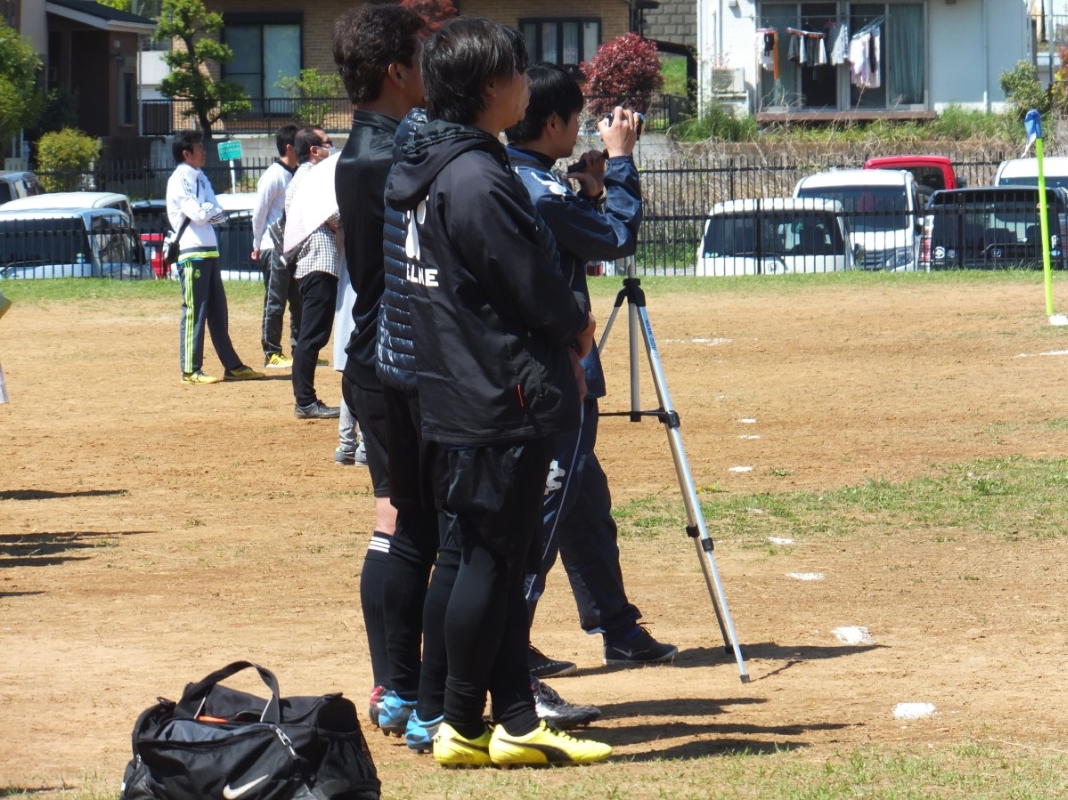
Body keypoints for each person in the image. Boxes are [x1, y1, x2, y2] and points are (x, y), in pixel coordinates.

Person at [386, 17, 610, 768]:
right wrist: (576, 325)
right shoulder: (476, 177)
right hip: (499, 391)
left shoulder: (439, 165)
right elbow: (530, 285)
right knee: (489, 560)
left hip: (461, 385)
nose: (527, 85)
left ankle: (513, 718)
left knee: (496, 558)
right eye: (517, 72)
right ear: (489, 87)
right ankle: (459, 722)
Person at [505, 64, 678, 675]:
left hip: (545, 369)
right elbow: (615, 238)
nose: (584, 127)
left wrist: (587, 191)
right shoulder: (535, 188)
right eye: (576, 118)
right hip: (555, 372)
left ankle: (616, 626)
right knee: (549, 506)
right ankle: (508, 638)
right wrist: (622, 161)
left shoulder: (519, 177)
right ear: (553, 122)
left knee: (583, 505)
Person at [332, 2, 427, 729]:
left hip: (374, 351)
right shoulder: (384, 154)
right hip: (391, 355)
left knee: (397, 516)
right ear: (396, 70)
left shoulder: (372, 145)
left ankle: (398, 684)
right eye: (422, 57)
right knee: (403, 522)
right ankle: (397, 684)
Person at [166, 130, 264, 385]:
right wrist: (209, 209)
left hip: (209, 250)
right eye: (199, 147)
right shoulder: (180, 179)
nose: (203, 151)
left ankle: (232, 366)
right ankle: (191, 369)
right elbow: (200, 214)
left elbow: (219, 214)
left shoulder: (200, 177)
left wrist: (208, 210)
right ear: (186, 153)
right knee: (194, 311)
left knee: (218, 312)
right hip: (191, 252)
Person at [286, 126, 341, 420]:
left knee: (311, 335)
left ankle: (305, 400)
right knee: (312, 336)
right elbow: (332, 214)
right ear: (314, 151)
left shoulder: (302, 177)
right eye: (327, 143)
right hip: (318, 261)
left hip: (312, 263)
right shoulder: (311, 177)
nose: (332, 147)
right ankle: (305, 401)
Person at [251, 123, 301, 370]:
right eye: (299, 143)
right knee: (275, 301)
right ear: (289, 147)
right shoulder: (273, 175)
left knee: (299, 300)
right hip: (274, 246)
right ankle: (272, 352)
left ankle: (300, 349)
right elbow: (259, 212)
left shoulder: (298, 173)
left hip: (294, 246)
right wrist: (256, 243)